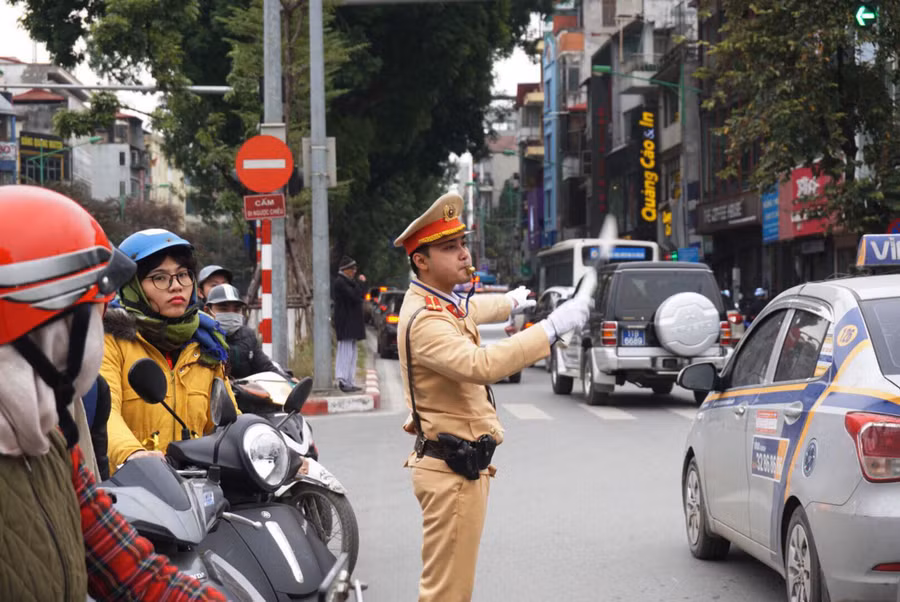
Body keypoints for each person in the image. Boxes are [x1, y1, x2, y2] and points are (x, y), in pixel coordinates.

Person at [0, 185, 224, 600]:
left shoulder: (47, 443)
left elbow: (129, 570)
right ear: (41, 330)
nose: (101, 328)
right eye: (91, 313)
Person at [394, 192, 589, 602]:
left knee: (451, 588)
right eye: (451, 248)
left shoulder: (436, 302)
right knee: (448, 594)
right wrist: (551, 328)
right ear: (421, 261)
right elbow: (480, 365)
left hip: (456, 465)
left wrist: (512, 302)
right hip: (450, 472)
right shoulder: (427, 320)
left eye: (463, 244)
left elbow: (471, 310)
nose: (465, 254)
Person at [101, 228, 235, 469]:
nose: (176, 286)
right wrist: (132, 454)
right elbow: (105, 412)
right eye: (160, 277)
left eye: (183, 274)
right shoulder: (111, 340)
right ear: (133, 287)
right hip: (131, 488)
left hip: (198, 490)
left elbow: (228, 422)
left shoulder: (207, 345)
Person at [205, 283, 290, 379]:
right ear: (207, 311)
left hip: (246, 391)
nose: (231, 314)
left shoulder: (248, 336)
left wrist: (287, 381)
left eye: (236, 309)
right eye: (223, 309)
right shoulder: (201, 337)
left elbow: (265, 366)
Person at [331, 255, 367, 393]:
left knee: (352, 353)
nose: (354, 271)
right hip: (345, 324)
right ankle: (342, 380)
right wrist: (361, 284)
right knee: (345, 352)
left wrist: (360, 285)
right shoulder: (340, 283)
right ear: (345, 270)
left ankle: (350, 380)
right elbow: (355, 297)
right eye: (352, 269)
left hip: (351, 325)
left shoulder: (349, 282)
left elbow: (359, 295)